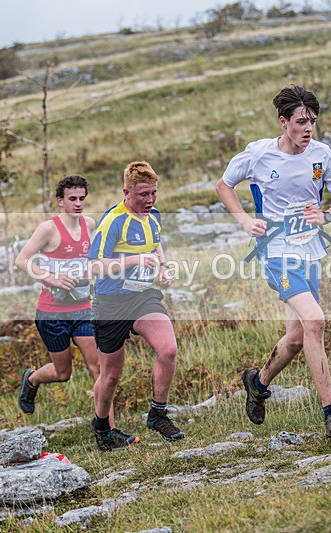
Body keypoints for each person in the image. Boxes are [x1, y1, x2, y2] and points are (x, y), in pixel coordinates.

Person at [216, 85, 331, 438]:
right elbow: (224, 185)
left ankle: (258, 383)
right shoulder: (259, 154)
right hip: (276, 250)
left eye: (312, 122)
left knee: (296, 337)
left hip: (310, 250)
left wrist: (326, 215)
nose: (308, 129)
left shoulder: (322, 154)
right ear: (283, 122)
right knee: (316, 320)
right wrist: (246, 221)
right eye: (300, 122)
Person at [87, 161, 182, 451]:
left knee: (168, 349)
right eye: (143, 194)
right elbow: (93, 266)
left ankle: (157, 414)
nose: (150, 200)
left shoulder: (153, 216)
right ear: (126, 192)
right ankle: (102, 429)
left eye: (153, 193)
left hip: (142, 297)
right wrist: (134, 261)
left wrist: (163, 268)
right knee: (111, 375)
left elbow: (155, 244)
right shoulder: (113, 221)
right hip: (110, 303)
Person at [15, 176, 115, 426]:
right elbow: (21, 260)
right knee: (63, 373)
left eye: (82, 198)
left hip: (83, 309)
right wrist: (53, 278)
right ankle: (32, 380)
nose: (78, 203)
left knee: (98, 369)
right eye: (72, 199)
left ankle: (107, 430)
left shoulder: (89, 224)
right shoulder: (47, 229)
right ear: (60, 201)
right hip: (52, 313)